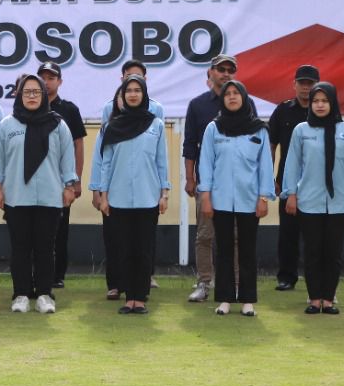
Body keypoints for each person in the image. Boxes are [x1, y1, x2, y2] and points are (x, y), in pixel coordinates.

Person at [0, 74, 78, 314]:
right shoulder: (7, 125)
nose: (32, 96)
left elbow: (67, 160)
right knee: (20, 248)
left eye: (36, 92)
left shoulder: (58, 125)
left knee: (45, 248)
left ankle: (45, 295)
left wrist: (69, 186)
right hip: (17, 196)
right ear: (19, 95)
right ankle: (21, 294)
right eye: (26, 92)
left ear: (44, 95)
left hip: (50, 196)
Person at [280, 82, 344, 314]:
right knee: (313, 252)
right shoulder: (301, 130)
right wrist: (290, 194)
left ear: (332, 103)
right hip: (309, 200)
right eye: (316, 101)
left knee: (333, 252)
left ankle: (328, 300)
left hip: (339, 201)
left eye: (324, 101)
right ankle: (314, 299)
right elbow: (292, 164)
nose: (319, 105)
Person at [91, 76, 169, 313]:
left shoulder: (156, 125)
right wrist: (104, 195)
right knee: (123, 249)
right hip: (118, 197)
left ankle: (140, 298)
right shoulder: (112, 127)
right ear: (123, 96)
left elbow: (161, 162)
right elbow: (106, 164)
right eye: (129, 91)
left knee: (144, 249)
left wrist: (164, 193)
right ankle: (128, 298)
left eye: (137, 90)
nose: (133, 94)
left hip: (148, 196)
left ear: (144, 94)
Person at [198, 80, 274, 316]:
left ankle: (248, 300)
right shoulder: (214, 128)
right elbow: (206, 164)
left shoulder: (259, 130)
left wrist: (263, 198)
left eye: (236, 93)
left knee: (247, 250)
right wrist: (206, 197)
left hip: (250, 199)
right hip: (220, 200)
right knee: (223, 249)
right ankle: (225, 299)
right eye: (227, 94)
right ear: (222, 100)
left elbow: (265, 166)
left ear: (244, 97)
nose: (232, 97)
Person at [182, 54, 239, 302]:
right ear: (210, 73)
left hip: (237, 183)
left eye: (230, 70)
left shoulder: (244, 103)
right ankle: (204, 283)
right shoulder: (197, 105)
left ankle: (234, 284)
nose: (225, 74)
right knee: (205, 235)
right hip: (206, 183)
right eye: (221, 69)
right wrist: (190, 178)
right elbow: (190, 145)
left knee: (234, 236)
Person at [268, 65, 320, 293]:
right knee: (288, 233)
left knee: (316, 234)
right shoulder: (283, 111)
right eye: (302, 83)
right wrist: (269, 177)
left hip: (317, 183)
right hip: (287, 183)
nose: (306, 87)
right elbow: (271, 144)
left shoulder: (324, 110)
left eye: (310, 83)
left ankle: (316, 279)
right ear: (294, 85)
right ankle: (287, 277)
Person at [37, 61, 87, 290]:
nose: (46, 82)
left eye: (51, 78)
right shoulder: (28, 107)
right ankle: (36, 273)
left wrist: (76, 179)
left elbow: (78, 145)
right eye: (43, 78)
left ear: (60, 81)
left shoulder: (69, 110)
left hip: (60, 180)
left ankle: (57, 274)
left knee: (60, 228)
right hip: (34, 179)